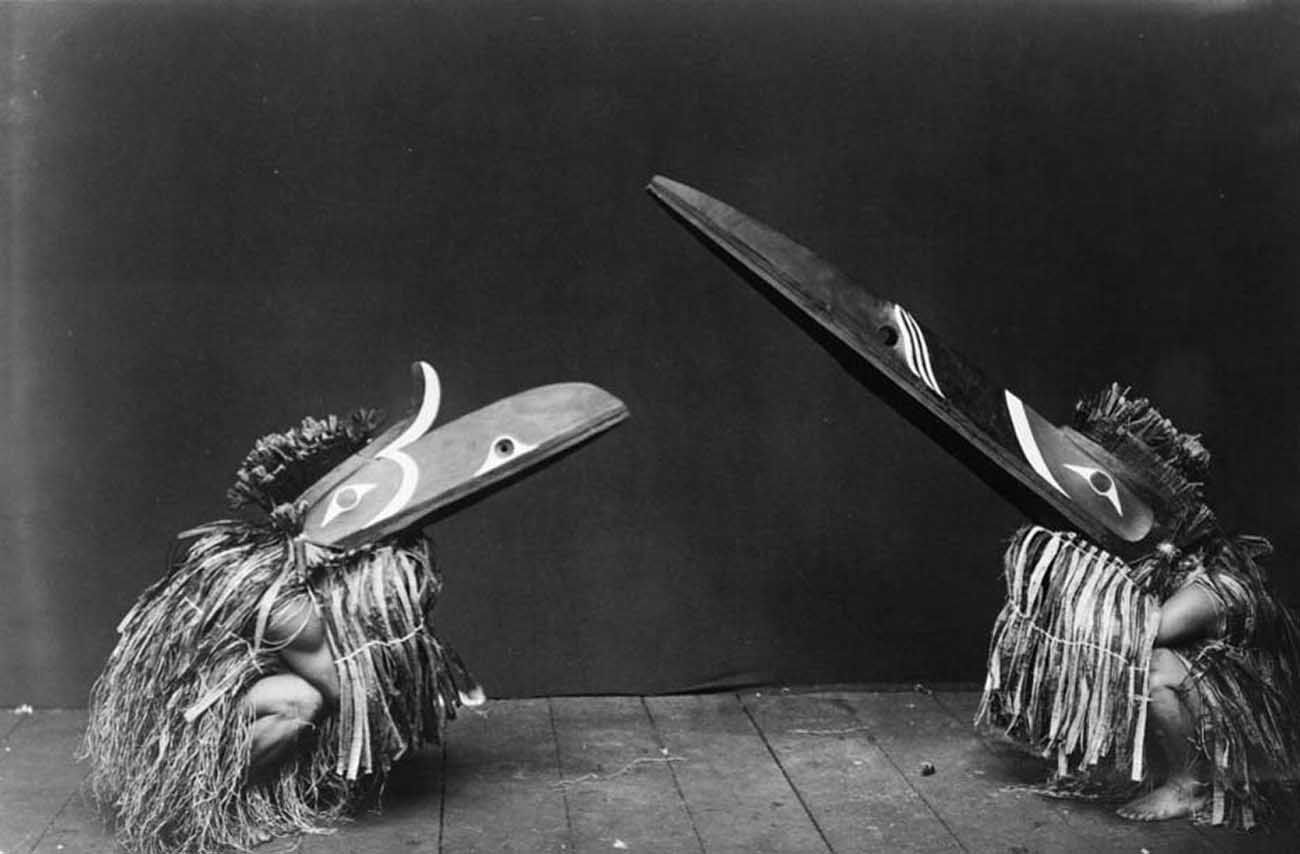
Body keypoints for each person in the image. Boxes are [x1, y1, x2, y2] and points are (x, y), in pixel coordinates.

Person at [979, 385, 1300, 829]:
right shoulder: (1183, 566)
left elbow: (1144, 633)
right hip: (1222, 704)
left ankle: (1188, 784)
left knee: (1153, 668)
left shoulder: (1214, 585)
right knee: (1154, 664)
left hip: (1254, 731)